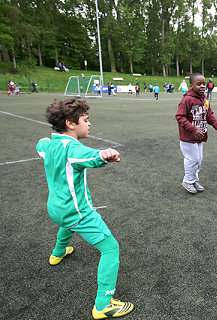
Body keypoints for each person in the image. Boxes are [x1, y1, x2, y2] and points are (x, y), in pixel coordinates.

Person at [35, 98, 134, 319]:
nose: (89, 124)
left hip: (55, 209)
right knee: (111, 249)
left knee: (67, 225)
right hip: (77, 211)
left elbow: (40, 146)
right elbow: (86, 156)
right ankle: (103, 305)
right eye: (86, 120)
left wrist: (42, 141)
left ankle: (57, 254)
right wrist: (104, 155)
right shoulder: (72, 147)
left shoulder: (50, 144)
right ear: (70, 123)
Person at [175, 73, 217, 194]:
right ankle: (187, 180)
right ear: (191, 85)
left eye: (203, 84)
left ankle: (194, 179)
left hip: (200, 136)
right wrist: (193, 129)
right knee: (193, 159)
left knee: (199, 160)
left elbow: (209, 115)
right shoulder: (187, 99)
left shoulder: (205, 99)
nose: (202, 86)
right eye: (198, 84)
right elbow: (180, 117)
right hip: (188, 137)